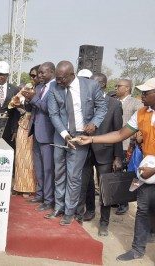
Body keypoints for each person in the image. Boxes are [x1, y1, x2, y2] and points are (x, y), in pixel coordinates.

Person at [78, 77, 155, 261]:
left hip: (152, 170)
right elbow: (120, 134)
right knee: (143, 209)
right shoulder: (142, 113)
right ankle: (137, 249)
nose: (141, 96)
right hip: (147, 171)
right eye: (141, 92)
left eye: (146, 93)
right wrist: (92, 139)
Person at [45, 61, 107, 225]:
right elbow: (53, 114)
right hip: (61, 135)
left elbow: (102, 107)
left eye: (61, 79)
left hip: (81, 137)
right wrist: (64, 134)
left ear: (71, 74)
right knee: (59, 173)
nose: (59, 82)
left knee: (74, 176)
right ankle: (58, 207)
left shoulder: (91, 86)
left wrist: (94, 123)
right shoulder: (54, 87)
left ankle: (69, 211)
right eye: (57, 78)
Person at [75, 73, 123, 233]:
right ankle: (78, 217)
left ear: (101, 84)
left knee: (104, 189)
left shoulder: (115, 104)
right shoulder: (85, 100)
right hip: (84, 150)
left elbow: (118, 132)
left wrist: (117, 156)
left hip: (105, 153)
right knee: (81, 186)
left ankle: (104, 223)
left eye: (92, 83)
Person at [22, 62, 56, 211]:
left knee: (48, 169)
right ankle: (40, 194)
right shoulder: (40, 87)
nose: (40, 75)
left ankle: (49, 200)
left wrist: (34, 98)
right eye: (39, 73)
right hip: (35, 130)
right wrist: (27, 99)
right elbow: (33, 107)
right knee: (39, 167)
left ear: (52, 73)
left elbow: (49, 109)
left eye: (43, 73)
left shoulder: (56, 88)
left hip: (48, 134)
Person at [114, 78, 143, 215]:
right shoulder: (113, 102)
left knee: (128, 175)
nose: (115, 88)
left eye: (118, 86)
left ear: (127, 88)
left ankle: (124, 203)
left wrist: (136, 136)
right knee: (115, 173)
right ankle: (116, 199)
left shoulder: (136, 103)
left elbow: (141, 125)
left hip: (128, 145)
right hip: (113, 143)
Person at [12, 65, 40, 196]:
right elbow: (15, 103)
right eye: (31, 76)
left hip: (37, 125)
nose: (32, 78)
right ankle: (19, 185)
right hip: (24, 124)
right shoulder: (29, 88)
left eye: (34, 76)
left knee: (31, 157)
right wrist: (20, 103)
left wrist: (31, 98)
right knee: (20, 156)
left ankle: (30, 187)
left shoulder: (43, 90)